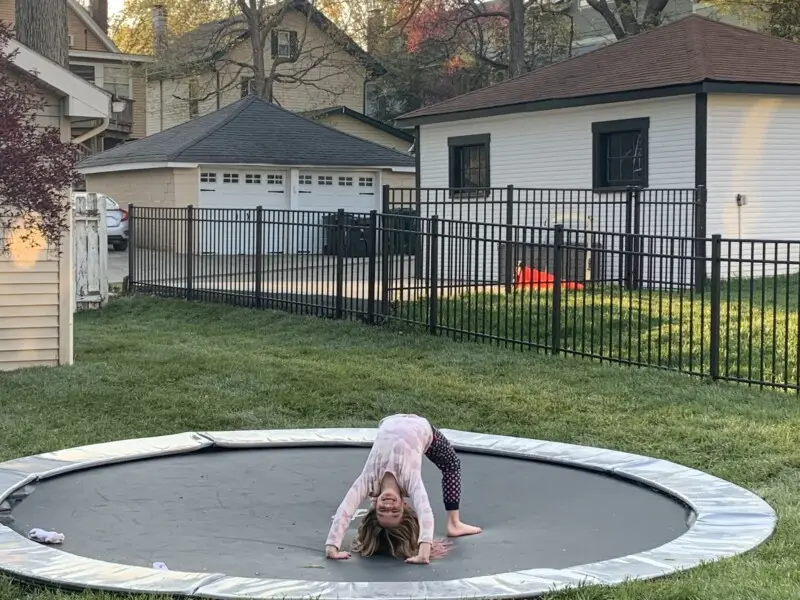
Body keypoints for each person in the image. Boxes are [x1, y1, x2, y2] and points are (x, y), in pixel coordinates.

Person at [324, 414, 481, 564]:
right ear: (405, 505)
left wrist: (332, 546)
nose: (388, 506)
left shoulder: (368, 480)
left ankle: (452, 522)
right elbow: (425, 512)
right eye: (394, 511)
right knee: (452, 465)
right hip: (423, 429)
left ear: (374, 505)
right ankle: (453, 523)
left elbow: (345, 510)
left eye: (381, 511)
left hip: (390, 420)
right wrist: (423, 552)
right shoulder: (410, 480)